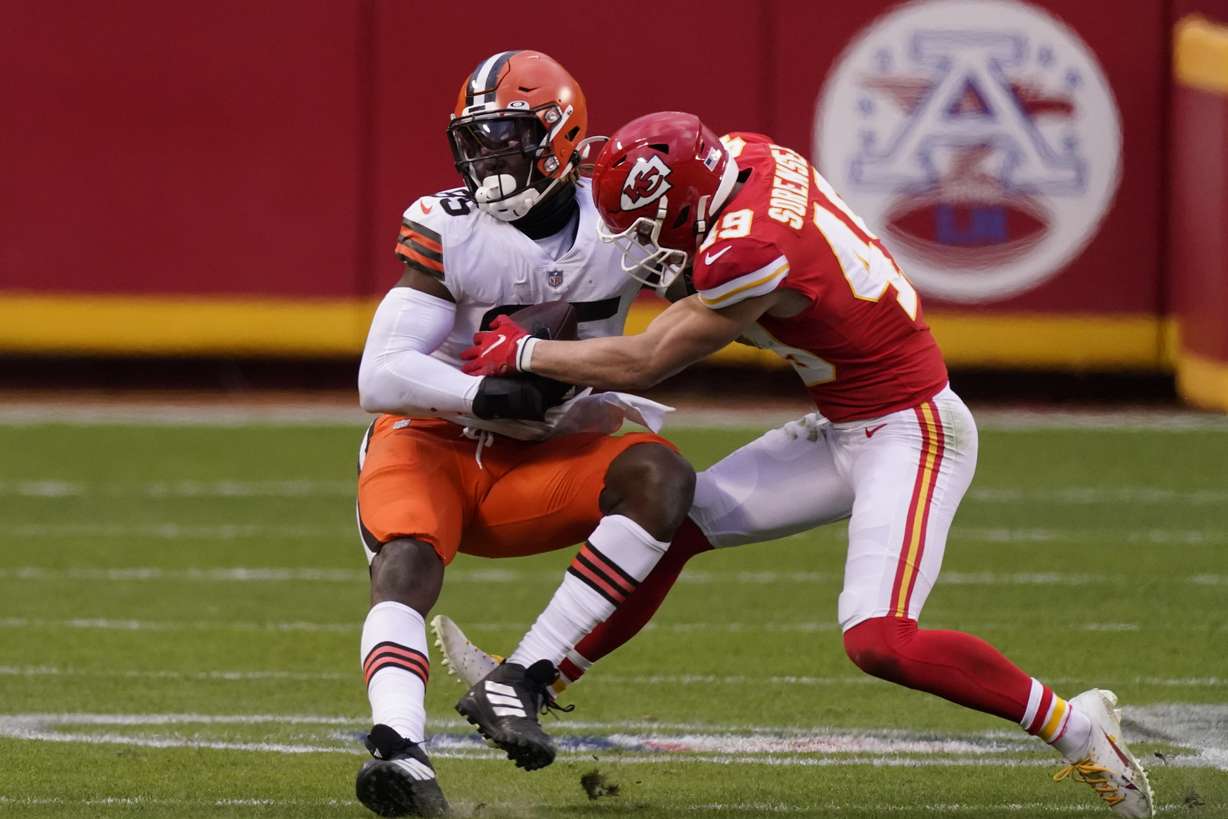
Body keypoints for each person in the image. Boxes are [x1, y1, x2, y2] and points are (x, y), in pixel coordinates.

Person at [457, 111, 1154, 818]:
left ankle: (1077, 727)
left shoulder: (747, 250)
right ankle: (534, 677)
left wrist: (527, 352)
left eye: (644, 228)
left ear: (689, 204)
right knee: (672, 526)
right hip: (846, 422)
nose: (639, 245)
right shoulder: (744, 157)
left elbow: (647, 359)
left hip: (911, 432)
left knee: (880, 639)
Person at [352, 58, 696, 817]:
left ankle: (522, 678)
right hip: (434, 439)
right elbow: (381, 371)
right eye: (476, 141)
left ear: (561, 137)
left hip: (545, 451)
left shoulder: (619, 217)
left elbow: (711, 297)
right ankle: (399, 750)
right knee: (406, 560)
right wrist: (481, 392)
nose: (489, 158)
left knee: (661, 477)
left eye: (507, 138)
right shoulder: (449, 224)